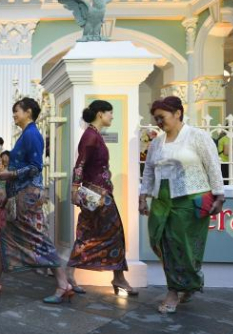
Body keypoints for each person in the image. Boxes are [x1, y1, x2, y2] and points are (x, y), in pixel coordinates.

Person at [0, 98, 73, 304]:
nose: (14, 115)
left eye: (16, 111)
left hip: (26, 195)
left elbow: (36, 166)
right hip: (19, 195)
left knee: (38, 238)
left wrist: (11, 174)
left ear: (28, 112)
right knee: (6, 238)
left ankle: (63, 284)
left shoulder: (32, 134)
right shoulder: (27, 134)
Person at [139, 96, 225, 314]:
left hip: (190, 198)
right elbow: (149, 170)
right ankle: (185, 283)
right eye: (156, 118)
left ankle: (175, 291)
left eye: (162, 117)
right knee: (160, 240)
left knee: (183, 246)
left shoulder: (198, 136)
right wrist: (143, 195)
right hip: (162, 199)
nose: (158, 122)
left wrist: (219, 196)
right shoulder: (157, 142)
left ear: (178, 113)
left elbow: (213, 166)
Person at [67, 100, 137, 296]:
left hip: (99, 193)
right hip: (97, 195)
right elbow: (80, 164)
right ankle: (117, 278)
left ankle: (72, 274)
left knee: (93, 233)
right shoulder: (90, 136)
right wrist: (74, 189)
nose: (112, 116)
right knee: (108, 234)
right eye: (109, 113)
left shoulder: (94, 135)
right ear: (100, 114)